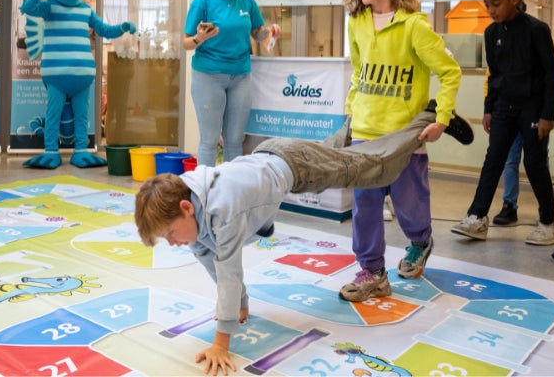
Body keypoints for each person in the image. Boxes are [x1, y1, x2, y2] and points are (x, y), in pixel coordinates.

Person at [134, 108, 472, 375]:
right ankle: (353, 124)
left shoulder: (223, 211)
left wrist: (222, 343)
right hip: (276, 156)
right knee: (335, 153)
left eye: (170, 235)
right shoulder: (186, 194)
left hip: (296, 166)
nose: (173, 243)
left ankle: (427, 117)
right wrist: (240, 306)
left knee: (371, 167)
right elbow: (210, 260)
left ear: (186, 209)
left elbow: (228, 272)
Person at [340, 0, 464, 304]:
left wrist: (442, 118)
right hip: (365, 130)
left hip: (405, 135)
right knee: (364, 206)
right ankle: (374, 273)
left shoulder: (415, 27)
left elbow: (450, 72)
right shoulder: (357, 23)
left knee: (409, 203)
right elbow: (359, 72)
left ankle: (420, 241)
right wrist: (351, 115)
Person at [452, 0, 554, 245]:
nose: (491, 11)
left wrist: (547, 115)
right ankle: (477, 218)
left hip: (533, 109)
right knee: (493, 160)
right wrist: (488, 109)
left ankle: (549, 223)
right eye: (487, 5)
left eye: (496, 4)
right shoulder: (491, 34)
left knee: (534, 163)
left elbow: (552, 75)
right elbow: (495, 75)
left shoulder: (537, 30)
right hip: (503, 107)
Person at [183, 0, 280, 166]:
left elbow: (257, 32)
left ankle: (232, 191)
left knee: (235, 140)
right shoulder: (203, 2)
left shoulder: (246, 0)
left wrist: (270, 32)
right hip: (208, 75)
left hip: (240, 75)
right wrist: (200, 38)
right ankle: (205, 192)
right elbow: (186, 42)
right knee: (209, 141)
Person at [493, 134, 522, 225]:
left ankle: (545, 210)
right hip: (513, 122)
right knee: (510, 162)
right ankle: (509, 206)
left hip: (534, 122)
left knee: (537, 163)